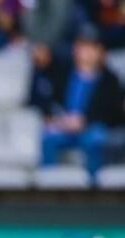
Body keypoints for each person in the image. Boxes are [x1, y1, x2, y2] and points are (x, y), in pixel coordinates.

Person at [35, 26, 125, 177]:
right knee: (48, 139)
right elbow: (48, 99)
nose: (84, 52)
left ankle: (93, 185)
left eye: (90, 47)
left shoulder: (110, 80)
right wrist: (55, 118)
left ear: (100, 51)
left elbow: (113, 112)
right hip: (65, 126)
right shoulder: (63, 73)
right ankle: (51, 184)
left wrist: (85, 121)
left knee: (95, 140)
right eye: (81, 46)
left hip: (93, 127)